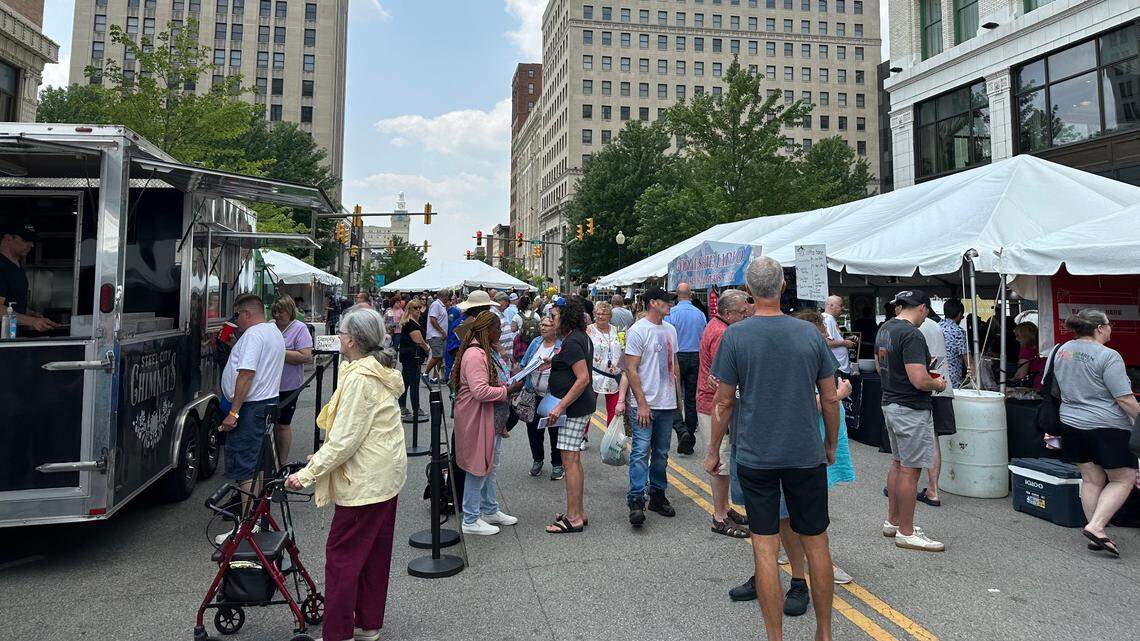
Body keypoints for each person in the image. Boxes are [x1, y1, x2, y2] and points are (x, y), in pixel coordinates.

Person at [704, 257, 840, 641]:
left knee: (765, 549)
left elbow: (724, 401)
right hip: (804, 454)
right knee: (817, 542)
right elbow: (830, 398)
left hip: (755, 455)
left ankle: (775, 636)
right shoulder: (810, 334)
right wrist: (829, 442)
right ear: (783, 287)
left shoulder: (736, 336)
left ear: (749, 291)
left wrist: (714, 449)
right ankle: (824, 633)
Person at [284, 306, 406, 641]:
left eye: (341, 333)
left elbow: (345, 440)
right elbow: (358, 433)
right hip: (385, 474)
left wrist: (307, 473)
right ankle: (368, 623)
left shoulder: (360, 378)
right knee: (374, 555)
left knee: (342, 559)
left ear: (351, 340)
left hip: (365, 480)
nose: (338, 337)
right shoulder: (378, 370)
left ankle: (338, 633)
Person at [1054, 309, 1140, 557]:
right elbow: (1124, 398)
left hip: (1071, 422)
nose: (1110, 328)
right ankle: (1097, 526)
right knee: (1123, 478)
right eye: (1109, 324)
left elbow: (1056, 388)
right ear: (1100, 328)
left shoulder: (1062, 350)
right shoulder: (1108, 356)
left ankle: (1095, 533)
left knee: (1091, 479)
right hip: (1107, 426)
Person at [876, 290, 947, 553]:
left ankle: (893, 522)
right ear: (922, 309)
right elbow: (919, 379)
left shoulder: (885, 329)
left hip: (890, 402)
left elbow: (879, 363)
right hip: (910, 406)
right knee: (910, 468)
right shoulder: (912, 334)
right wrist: (937, 383)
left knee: (898, 463)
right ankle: (906, 531)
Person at [216, 294, 285, 543]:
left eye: (237, 316)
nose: (236, 321)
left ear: (246, 314)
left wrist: (233, 412)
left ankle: (247, 526)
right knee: (257, 466)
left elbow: (246, 373)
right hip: (265, 404)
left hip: (250, 408)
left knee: (247, 467)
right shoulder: (272, 331)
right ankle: (254, 519)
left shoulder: (254, 335)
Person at [451, 311, 518, 535]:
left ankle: (489, 509)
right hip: (476, 417)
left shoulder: (483, 351)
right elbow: (480, 391)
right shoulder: (475, 354)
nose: (500, 332)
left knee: (489, 466)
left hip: (489, 418)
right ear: (488, 330)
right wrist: (507, 391)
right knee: (477, 467)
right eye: (498, 328)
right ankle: (470, 519)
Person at [698, 289, 752, 539]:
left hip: (711, 401)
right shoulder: (724, 333)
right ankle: (719, 516)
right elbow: (724, 380)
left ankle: (725, 508)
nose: (746, 314)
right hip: (714, 404)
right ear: (728, 313)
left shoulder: (716, 325)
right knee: (720, 460)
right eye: (742, 311)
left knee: (723, 458)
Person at [624, 288, 680, 527]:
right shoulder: (638, 330)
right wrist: (642, 403)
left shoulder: (671, 330)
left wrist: (678, 401)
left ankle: (657, 494)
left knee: (661, 453)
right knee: (639, 452)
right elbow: (631, 369)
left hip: (667, 403)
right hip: (644, 404)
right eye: (666, 301)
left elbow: (673, 364)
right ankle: (636, 499)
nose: (670, 305)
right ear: (653, 303)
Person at [544, 296, 596, 534]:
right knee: (573, 459)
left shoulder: (573, 341)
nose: (550, 319)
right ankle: (577, 511)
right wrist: (553, 363)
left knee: (570, 461)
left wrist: (559, 406)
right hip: (578, 407)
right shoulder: (578, 337)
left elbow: (583, 378)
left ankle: (574, 517)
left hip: (573, 409)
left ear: (565, 317)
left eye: (554, 315)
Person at [917, 310, 954, 508]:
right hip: (941, 385)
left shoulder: (918, 327)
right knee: (933, 439)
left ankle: (931, 490)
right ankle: (933, 489)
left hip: (928, 388)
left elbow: (924, 361)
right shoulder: (934, 325)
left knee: (927, 439)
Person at [664, 283, 707, 454]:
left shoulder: (672, 314)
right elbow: (704, 336)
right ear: (690, 295)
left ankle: (682, 430)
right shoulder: (700, 314)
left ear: (676, 295)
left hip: (677, 356)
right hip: (695, 356)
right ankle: (688, 433)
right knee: (691, 399)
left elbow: (667, 337)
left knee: (674, 396)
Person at [270, 296, 313, 467]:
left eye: (281, 311)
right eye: (275, 312)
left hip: (289, 385)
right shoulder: (270, 326)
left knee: (283, 424)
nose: (278, 315)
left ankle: (282, 462)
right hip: (269, 385)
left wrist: (279, 351)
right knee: (269, 424)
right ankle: (270, 458)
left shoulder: (299, 328)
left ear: (290, 311)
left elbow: (305, 356)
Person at [520, 316, 564, 479]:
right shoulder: (536, 342)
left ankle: (557, 464)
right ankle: (537, 460)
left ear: (556, 328)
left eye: (547, 325)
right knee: (533, 430)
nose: (543, 328)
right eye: (542, 324)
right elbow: (524, 363)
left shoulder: (561, 345)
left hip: (552, 396)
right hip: (533, 394)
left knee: (555, 431)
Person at [0, 221, 61, 332]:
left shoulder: (16, 267)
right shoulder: (1, 266)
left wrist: (31, 315)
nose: (31, 245)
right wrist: (30, 321)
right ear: (8, 238)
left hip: (11, 337)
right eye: (25, 240)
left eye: (32, 241)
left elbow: (12, 304)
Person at [587, 300, 623, 425]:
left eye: (604, 314)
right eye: (598, 313)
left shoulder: (616, 330)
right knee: (588, 408)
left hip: (613, 376)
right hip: (593, 374)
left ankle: (610, 439)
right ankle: (582, 437)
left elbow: (622, 349)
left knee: (613, 411)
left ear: (610, 316)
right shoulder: (588, 330)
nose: (600, 316)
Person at [397, 299, 431, 419]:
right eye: (415, 308)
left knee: (406, 382)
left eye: (419, 307)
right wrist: (427, 348)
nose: (418, 310)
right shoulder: (411, 323)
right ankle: (416, 408)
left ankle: (402, 407)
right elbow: (418, 340)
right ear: (409, 310)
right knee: (414, 383)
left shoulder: (410, 322)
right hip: (412, 356)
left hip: (408, 356)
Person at [939, 299, 970, 389]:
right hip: (952, 380)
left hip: (935, 377)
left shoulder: (936, 327)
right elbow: (967, 358)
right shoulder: (958, 332)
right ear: (960, 314)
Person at [823, 295, 856, 377]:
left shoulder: (829, 319)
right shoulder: (828, 319)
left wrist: (847, 339)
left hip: (838, 367)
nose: (843, 308)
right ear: (831, 306)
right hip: (836, 367)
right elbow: (826, 343)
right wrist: (845, 343)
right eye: (840, 305)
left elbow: (833, 339)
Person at [422, 289, 450, 384]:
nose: (448, 298)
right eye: (448, 296)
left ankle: (434, 377)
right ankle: (425, 374)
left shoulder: (441, 305)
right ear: (444, 296)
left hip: (440, 335)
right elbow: (433, 320)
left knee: (440, 356)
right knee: (437, 355)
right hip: (435, 335)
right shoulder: (436, 305)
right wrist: (442, 331)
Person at [1013, 322, 1045, 389]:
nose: (1016, 339)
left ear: (1025, 336)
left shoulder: (1026, 350)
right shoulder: (1044, 347)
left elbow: (1021, 375)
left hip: (1037, 384)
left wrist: (1010, 380)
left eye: (1018, 336)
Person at [444, 293, 464, 381]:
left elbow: (459, 326)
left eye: (450, 300)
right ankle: (447, 377)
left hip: (454, 340)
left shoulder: (455, 311)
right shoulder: (441, 311)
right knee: (448, 361)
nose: (447, 303)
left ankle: (451, 378)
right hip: (446, 338)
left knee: (453, 361)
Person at [492, 292, 517, 362]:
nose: (507, 303)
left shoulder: (499, 313)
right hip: (500, 356)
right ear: (498, 301)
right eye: (505, 301)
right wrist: (501, 350)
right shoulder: (493, 314)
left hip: (504, 356)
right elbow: (492, 335)